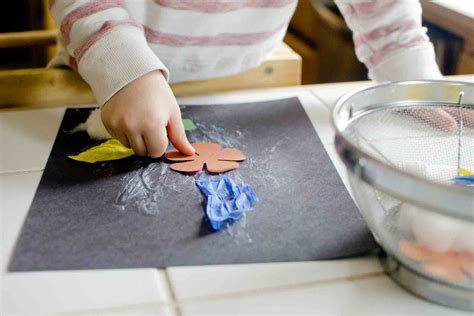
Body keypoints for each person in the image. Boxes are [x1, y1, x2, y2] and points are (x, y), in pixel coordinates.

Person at [49, 0, 443, 157]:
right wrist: (126, 70)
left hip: (247, 81)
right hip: (102, 82)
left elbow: (387, 20)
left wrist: (421, 85)